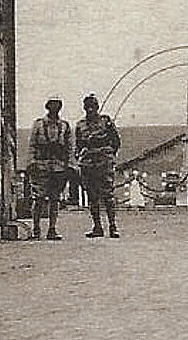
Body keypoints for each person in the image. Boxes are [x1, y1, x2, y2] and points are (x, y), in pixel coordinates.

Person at [26, 95, 74, 240]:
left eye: (58, 105)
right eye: (52, 104)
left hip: (58, 167)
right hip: (41, 165)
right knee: (38, 198)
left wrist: (70, 165)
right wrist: (31, 162)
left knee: (55, 199)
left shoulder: (64, 126)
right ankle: (36, 229)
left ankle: (52, 229)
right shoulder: (39, 124)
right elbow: (32, 145)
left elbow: (70, 147)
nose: (55, 107)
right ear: (47, 106)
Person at [75, 93, 121, 238]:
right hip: (88, 162)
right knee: (92, 196)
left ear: (97, 107)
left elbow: (116, 141)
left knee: (108, 195)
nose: (90, 110)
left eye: (93, 107)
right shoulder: (80, 125)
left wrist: (109, 155)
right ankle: (97, 227)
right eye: (87, 107)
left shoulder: (106, 121)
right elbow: (78, 145)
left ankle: (113, 226)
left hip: (104, 161)